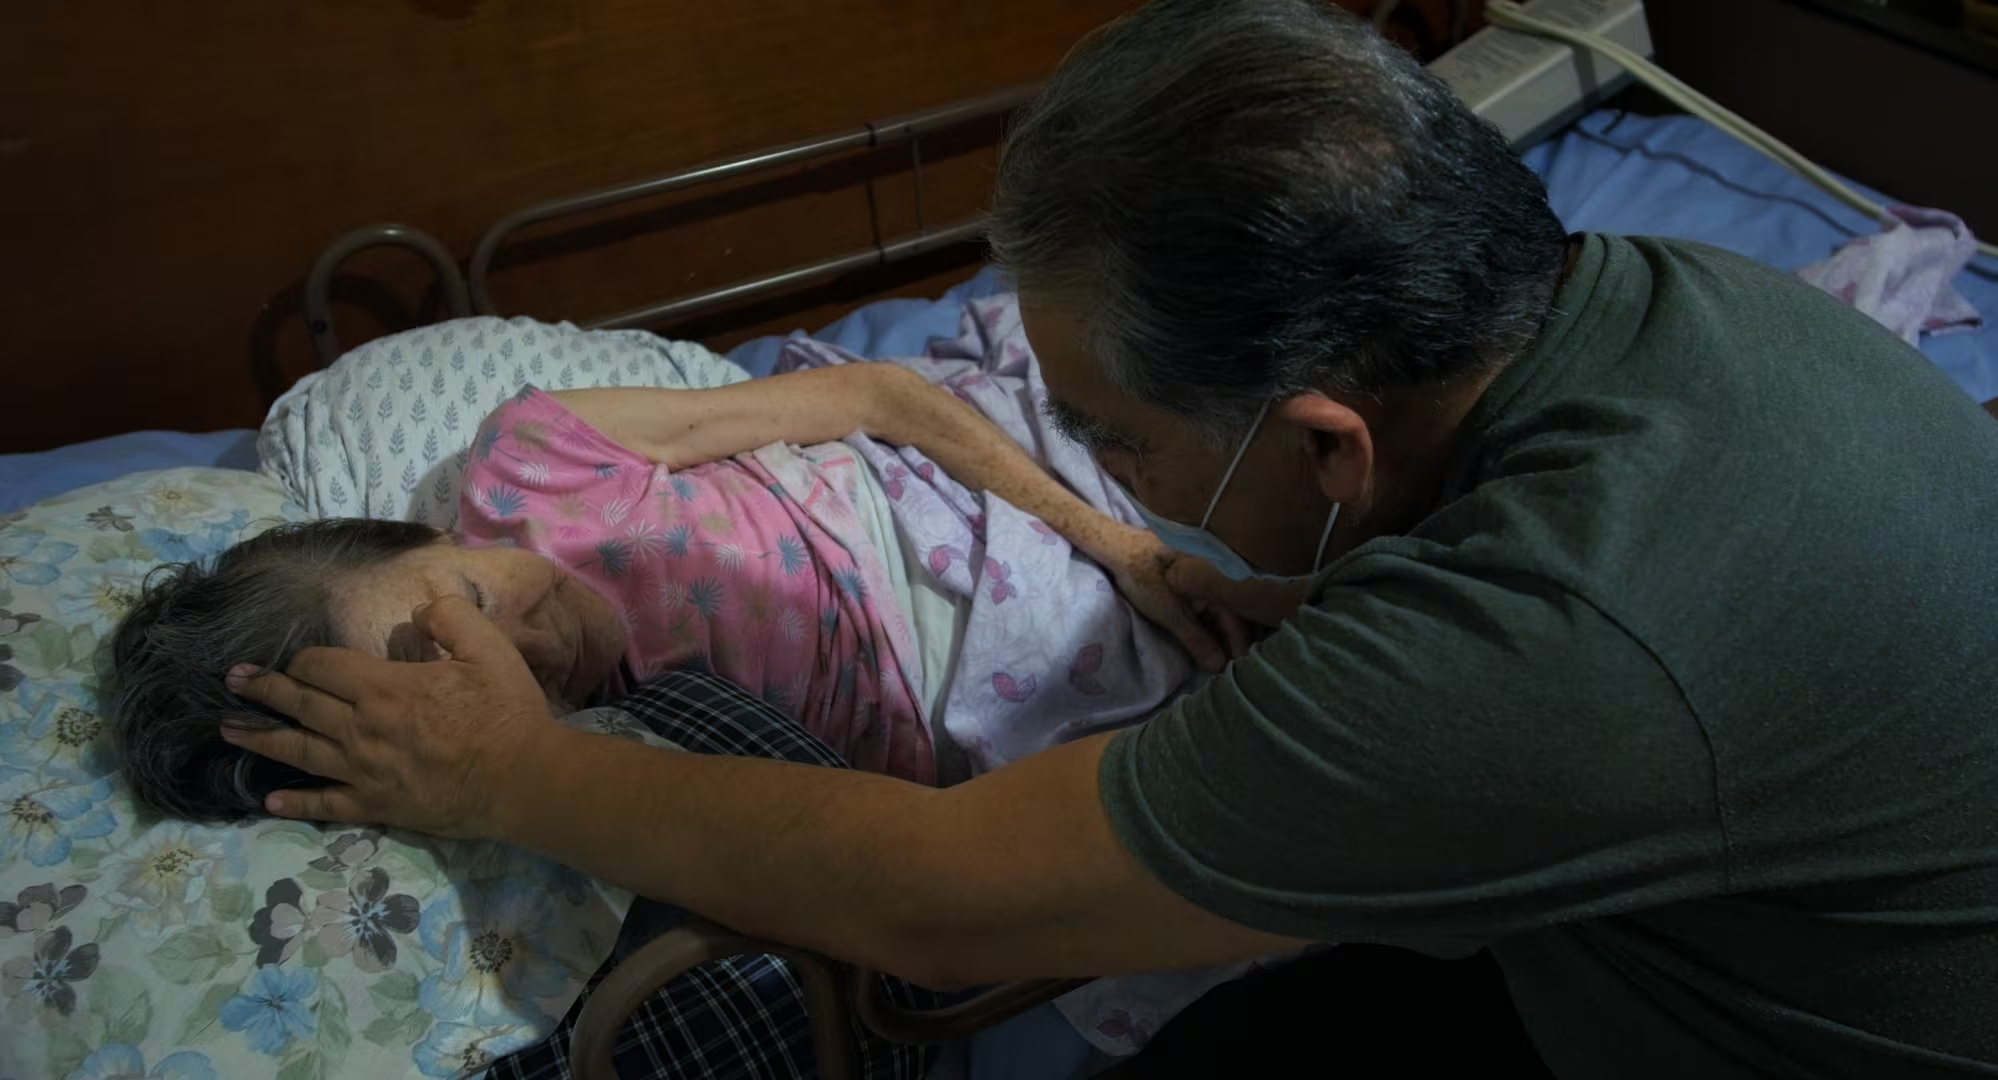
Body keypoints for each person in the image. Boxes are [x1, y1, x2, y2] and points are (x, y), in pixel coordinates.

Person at [212, 1, 1998, 1076]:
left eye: (1124, 440)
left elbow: (934, 888)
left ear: (1323, 438)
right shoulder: (1656, 302)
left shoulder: (1539, 651)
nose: (1102, 471)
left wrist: (507, 773)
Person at [114, 361, 1226, 818]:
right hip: (965, 718)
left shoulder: (533, 461)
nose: (535, 659)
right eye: (470, 673)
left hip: (930, 507)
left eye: (477, 600)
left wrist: (1114, 546)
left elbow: (882, 394)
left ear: (432, 529)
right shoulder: (590, 769)